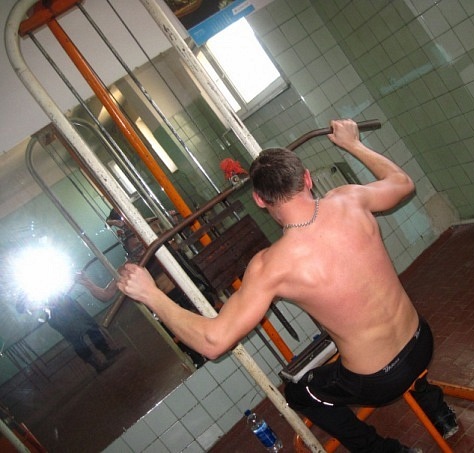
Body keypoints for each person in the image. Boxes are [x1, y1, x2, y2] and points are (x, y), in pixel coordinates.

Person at [117, 119, 456, 452]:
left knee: (299, 394)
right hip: (421, 341)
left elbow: (213, 342)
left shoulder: (271, 266)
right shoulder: (349, 199)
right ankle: (436, 408)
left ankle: (380, 451)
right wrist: (353, 144)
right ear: (307, 178)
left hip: (378, 380)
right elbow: (402, 182)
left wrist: (151, 294)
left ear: (259, 200)